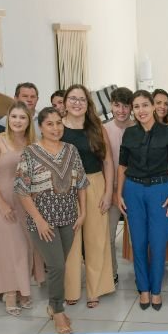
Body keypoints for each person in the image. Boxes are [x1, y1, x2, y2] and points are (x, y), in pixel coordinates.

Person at [15, 107, 88, 334]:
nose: (55, 128)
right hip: (42, 221)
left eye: (58, 123)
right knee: (56, 265)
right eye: (50, 124)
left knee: (59, 265)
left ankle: (52, 304)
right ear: (40, 127)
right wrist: (38, 220)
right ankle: (57, 310)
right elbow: (22, 190)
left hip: (69, 217)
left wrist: (83, 212)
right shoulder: (30, 152)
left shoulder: (71, 150)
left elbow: (81, 183)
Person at [118, 90, 168, 311]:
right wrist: (118, 193)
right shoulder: (129, 133)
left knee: (157, 242)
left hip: (160, 190)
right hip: (133, 190)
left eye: (145, 105)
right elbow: (122, 166)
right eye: (136, 107)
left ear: (154, 106)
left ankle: (156, 289)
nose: (141, 110)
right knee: (138, 242)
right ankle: (143, 288)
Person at [0, 102, 40, 316]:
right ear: (8, 119)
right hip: (2, 200)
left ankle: (24, 290)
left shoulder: (32, 143)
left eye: (22, 117)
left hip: (25, 201)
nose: (17, 121)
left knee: (26, 246)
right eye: (14, 116)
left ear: (28, 121)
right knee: (8, 248)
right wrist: (1, 203)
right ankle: (9, 293)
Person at [62, 85, 116, 308]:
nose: (77, 103)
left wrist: (108, 192)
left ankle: (96, 289)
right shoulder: (57, 127)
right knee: (70, 241)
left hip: (94, 183)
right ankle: (71, 289)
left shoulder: (96, 128)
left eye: (82, 99)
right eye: (73, 99)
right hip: (66, 188)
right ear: (65, 102)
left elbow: (108, 161)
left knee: (96, 239)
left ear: (88, 104)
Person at [103, 87, 135, 285]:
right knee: (108, 235)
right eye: (117, 105)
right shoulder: (104, 130)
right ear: (111, 106)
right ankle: (111, 273)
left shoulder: (139, 127)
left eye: (125, 106)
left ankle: (141, 273)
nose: (121, 110)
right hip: (111, 189)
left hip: (135, 189)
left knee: (137, 237)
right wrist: (112, 191)